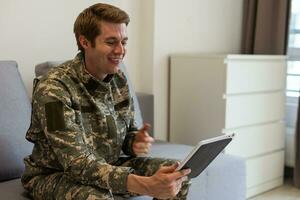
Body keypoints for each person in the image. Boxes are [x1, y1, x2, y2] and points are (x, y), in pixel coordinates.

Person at [21, 3, 191, 200]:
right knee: (96, 197)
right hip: (54, 175)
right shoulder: (52, 89)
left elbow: (126, 135)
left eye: (124, 42)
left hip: (109, 165)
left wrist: (134, 142)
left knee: (177, 175)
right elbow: (76, 162)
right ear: (85, 42)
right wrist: (146, 185)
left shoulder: (119, 80)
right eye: (111, 42)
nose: (120, 50)